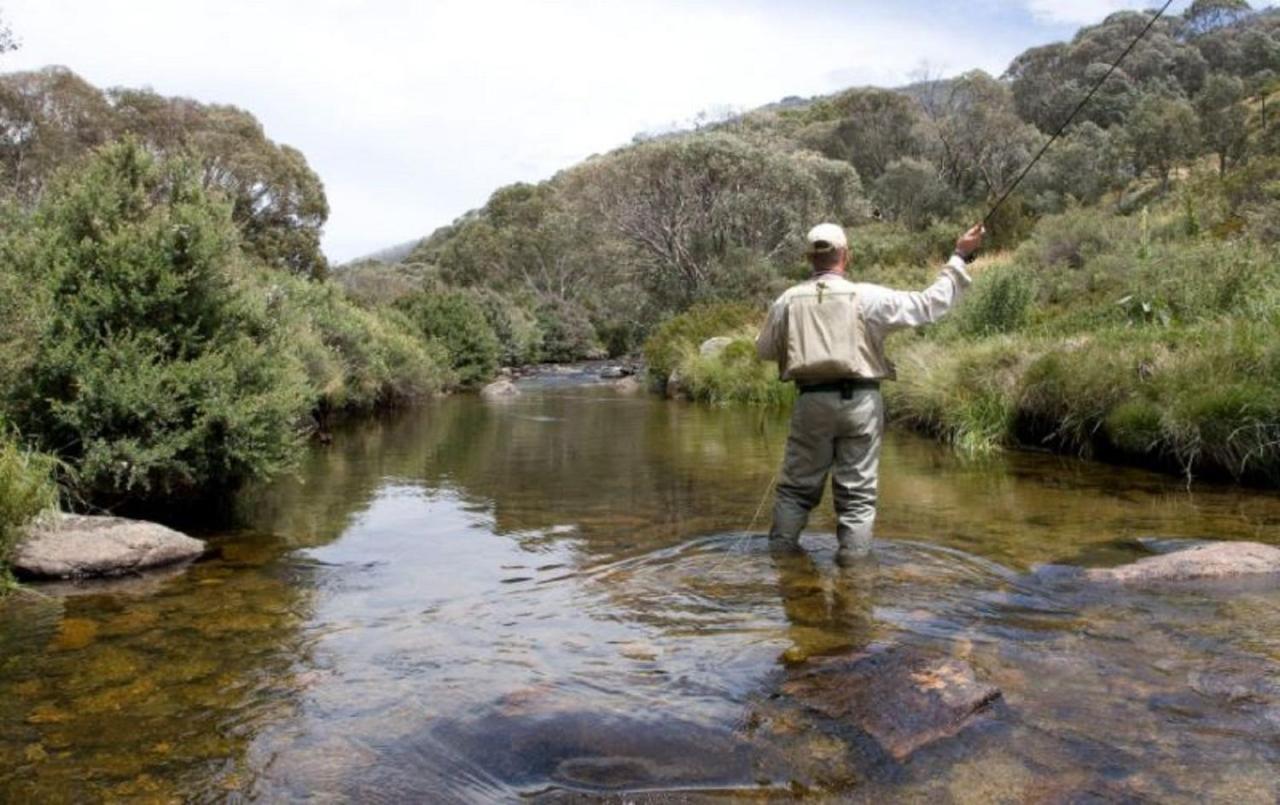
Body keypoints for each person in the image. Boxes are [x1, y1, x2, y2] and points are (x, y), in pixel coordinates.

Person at [756, 221, 984, 564]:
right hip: (861, 402)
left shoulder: (787, 300)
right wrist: (959, 257)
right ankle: (854, 572)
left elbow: (765, 350)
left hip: (811, 402)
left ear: (809, 258)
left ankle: (783, 564)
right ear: (845, 255)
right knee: (857, 496)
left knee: (796, 490)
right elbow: (928, 305)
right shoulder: (868, 296)